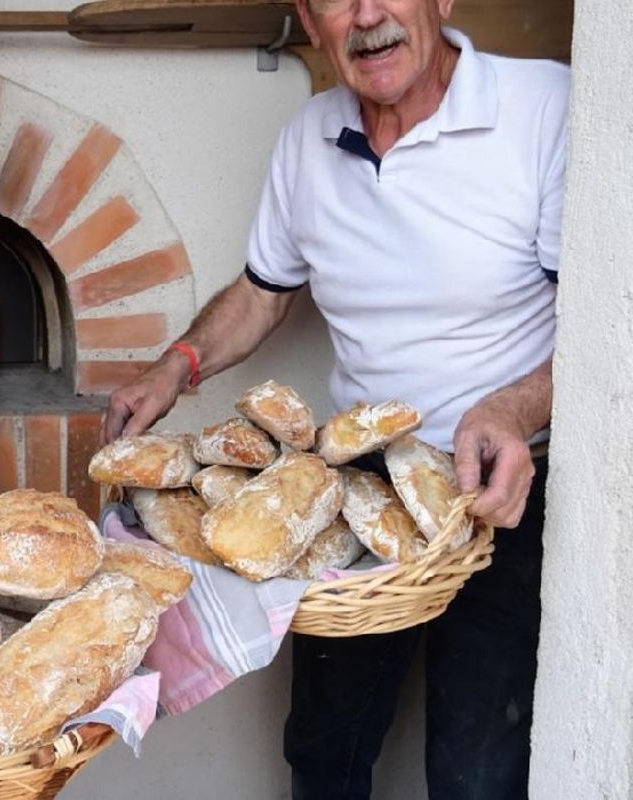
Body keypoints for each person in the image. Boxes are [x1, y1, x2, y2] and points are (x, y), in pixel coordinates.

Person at [104, 0, 568, 797]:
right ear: (309, 23)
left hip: (507, 486)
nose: (366, 17)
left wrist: (510, 412)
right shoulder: (307, 138)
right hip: (360, 490)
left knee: (477, 772)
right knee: (323, 753)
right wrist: (175, 365)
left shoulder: (540, 108)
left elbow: (601, 324)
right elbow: (262, 292)